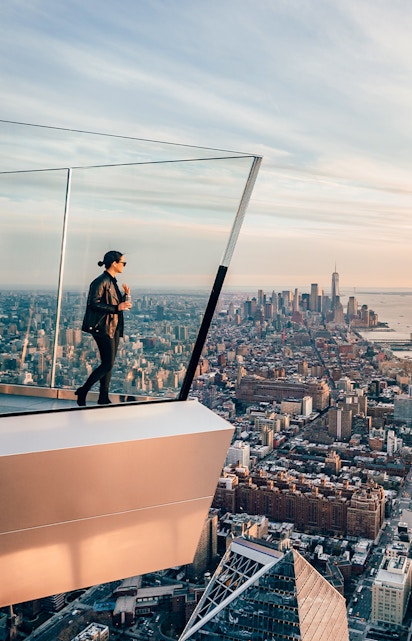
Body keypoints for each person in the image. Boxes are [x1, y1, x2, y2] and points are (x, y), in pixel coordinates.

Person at [75, 250, 132, 406]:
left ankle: (103, 396)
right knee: (107, 364)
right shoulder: (100, 281)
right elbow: (93, 303)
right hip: (103, 327)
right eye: (123, 263)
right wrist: (116, 308)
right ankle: (84, 390)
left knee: (109, 363)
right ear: (114, 263)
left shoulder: (112, 281)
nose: (124, 266)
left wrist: (125, 297)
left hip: (113, 326)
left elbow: (116, 304)